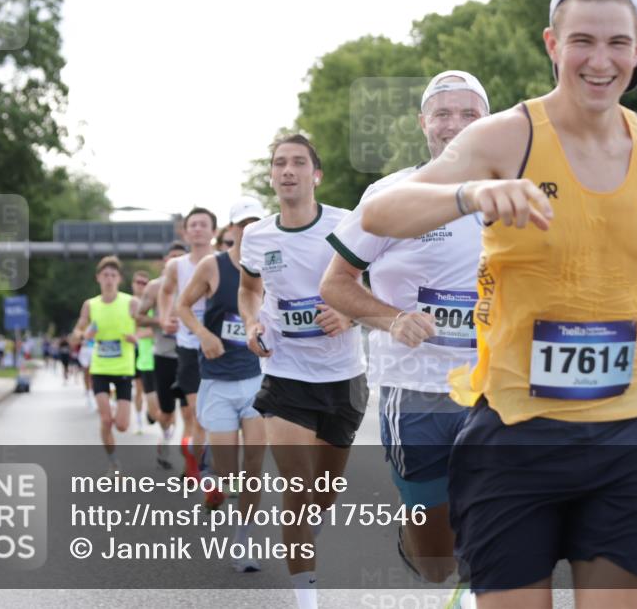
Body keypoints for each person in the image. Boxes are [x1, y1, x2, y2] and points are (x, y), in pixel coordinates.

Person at [360, 0, 637, 609]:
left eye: (617, 43)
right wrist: (471, 192)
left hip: (624, 436)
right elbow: (380, 214)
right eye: (582, 42)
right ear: (553, 44)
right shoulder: (505, 137)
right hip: (515, 436)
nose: (600, 61)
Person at [320, 70, 490, 587]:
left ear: (489, 122)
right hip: (415, 391)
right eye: (443, 114)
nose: (455, 125)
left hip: (496, 388)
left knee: (494, 529)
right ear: (423, 123)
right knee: (436, 562)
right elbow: (335, 283)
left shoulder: (515, 192)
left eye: (469, 114)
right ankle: (417, 541)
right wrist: (392, 320)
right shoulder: (390, 194)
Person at [239, 134, 367, 609]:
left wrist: (349, 313)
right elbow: (249, 289)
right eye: (279, 163)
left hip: (343, 378)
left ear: (316, 175)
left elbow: (378, 280)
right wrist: (252, 323)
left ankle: (308, 530)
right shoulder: (256, 236)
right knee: (296, 489)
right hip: (286, 375)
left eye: (297, 162)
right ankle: (306, 600)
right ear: (272, 176)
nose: (287, 170)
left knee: (321, 497)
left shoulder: (347, 224)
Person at [178, 196, 268, 571]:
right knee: (229, 474)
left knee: (254, 465)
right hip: (217, 381)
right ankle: (213, 477)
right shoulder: (212, 266)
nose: (249, 230)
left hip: (257, 379)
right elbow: (183, 306)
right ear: (232, 229)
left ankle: (243, 541)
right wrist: (203, 334)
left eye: (255, 223)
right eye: (242, 224)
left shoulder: (272, 264)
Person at [158, 207, 218, 478]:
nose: (197, 229)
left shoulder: (224, 262)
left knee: (219, 413)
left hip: (220, 347)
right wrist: (164, 318)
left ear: (213, 231)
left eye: (203, 224)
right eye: (192, 225)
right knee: (197, 413)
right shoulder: (177, 266)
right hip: (189, 347)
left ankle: (209, 465)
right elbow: (166, 291)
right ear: (185, 232)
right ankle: (202, 468)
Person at [73, 255, 138, 473]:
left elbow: (146, 327)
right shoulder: (90, 305)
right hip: (100, 368)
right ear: (98, 278)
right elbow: (77, 331)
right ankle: (113, 462)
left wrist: (137, 337)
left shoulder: (131, 302)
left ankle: (115, 408)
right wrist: (83, 335)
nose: (109, 279)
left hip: (124, 368)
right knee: (106, 420)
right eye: (105, 275)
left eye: (113, 275)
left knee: (122, 425)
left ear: (119, 279)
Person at [135, 241, 188, 469]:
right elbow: (139, 317)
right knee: (166, 413)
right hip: (164, 355)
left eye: (180, 257)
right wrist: (161, 321)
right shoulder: (155, 287)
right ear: (166, 261)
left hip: (189, 356)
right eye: (172, 257)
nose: (176, 261)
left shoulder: (197, 281)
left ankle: (191, 465)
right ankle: (165, 440)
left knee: (190, 412)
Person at [130, 269, 154, 433]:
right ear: (133, 284)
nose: (141, 286)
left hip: (147, 351)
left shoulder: (151, 303)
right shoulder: (127, 303)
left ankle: (150, 411)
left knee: (148, 389)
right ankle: (138, 420)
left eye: (144, 283)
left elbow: (155, 329)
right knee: (138, 388)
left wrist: (138, 335)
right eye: (138, 282)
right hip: (131, 352)